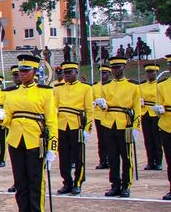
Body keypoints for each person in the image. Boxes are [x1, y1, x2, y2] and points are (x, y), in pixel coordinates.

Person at [0, 54, 57, 212]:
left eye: (26, 71)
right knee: (21, 185)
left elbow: (51, 121)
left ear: (35, 73)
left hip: (35, 140)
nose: (22, 74)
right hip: (16, 140)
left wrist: (53, 148)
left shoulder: (45, 92)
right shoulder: (11, 93)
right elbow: (8, 119)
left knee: (35, 185)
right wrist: (0, 117)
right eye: (20, 71)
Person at [97, 57, 141, 197]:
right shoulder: (106, 87)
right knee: (113, 156)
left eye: (118, 67)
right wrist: (103, 106)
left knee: (126, 157)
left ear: (124, 68)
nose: (116, 70)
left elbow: (137, 109)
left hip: (125, 124)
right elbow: (104, 107)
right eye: (114, 68)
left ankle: (126, 185)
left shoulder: (133, 86)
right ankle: (115, 184)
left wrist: (136, 127)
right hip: (109, 124)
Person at [54, 62, 93, 195]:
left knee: (78, 157)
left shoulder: (85, 89)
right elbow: (55, 107)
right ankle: (67, 182)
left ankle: (78, 182)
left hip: (77, 125)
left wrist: (88, 129)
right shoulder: (58, 89)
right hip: (62, 125)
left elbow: (89, 110)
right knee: (64, 157)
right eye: (65, 73)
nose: (67, 75)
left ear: (76, 73)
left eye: (70, 72)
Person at [140, 64, 163, 171]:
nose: (149, 74)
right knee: (148, 139)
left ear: (156, 73)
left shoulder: (159, 85)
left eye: (152, 72)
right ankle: (150, 161)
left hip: (156, 114)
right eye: (148, 72)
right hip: (145, 113)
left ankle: (158, 162)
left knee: (157, 139)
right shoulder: (141, 85)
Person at [154, 54, 171, 200]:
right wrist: (159, 110)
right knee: (170, 160)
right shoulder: (162, 85)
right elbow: (159, 105)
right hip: (167, 124)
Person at [92, 66, 112, 170]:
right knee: (101, 139)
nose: (103, 76)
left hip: (110, 116)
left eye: (105, 73)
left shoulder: (112, 85)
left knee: (110, 140)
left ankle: (110, 160)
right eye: (101, 73)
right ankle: (103, 160)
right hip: (99, 116)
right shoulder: (95, 87)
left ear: (109, 74)